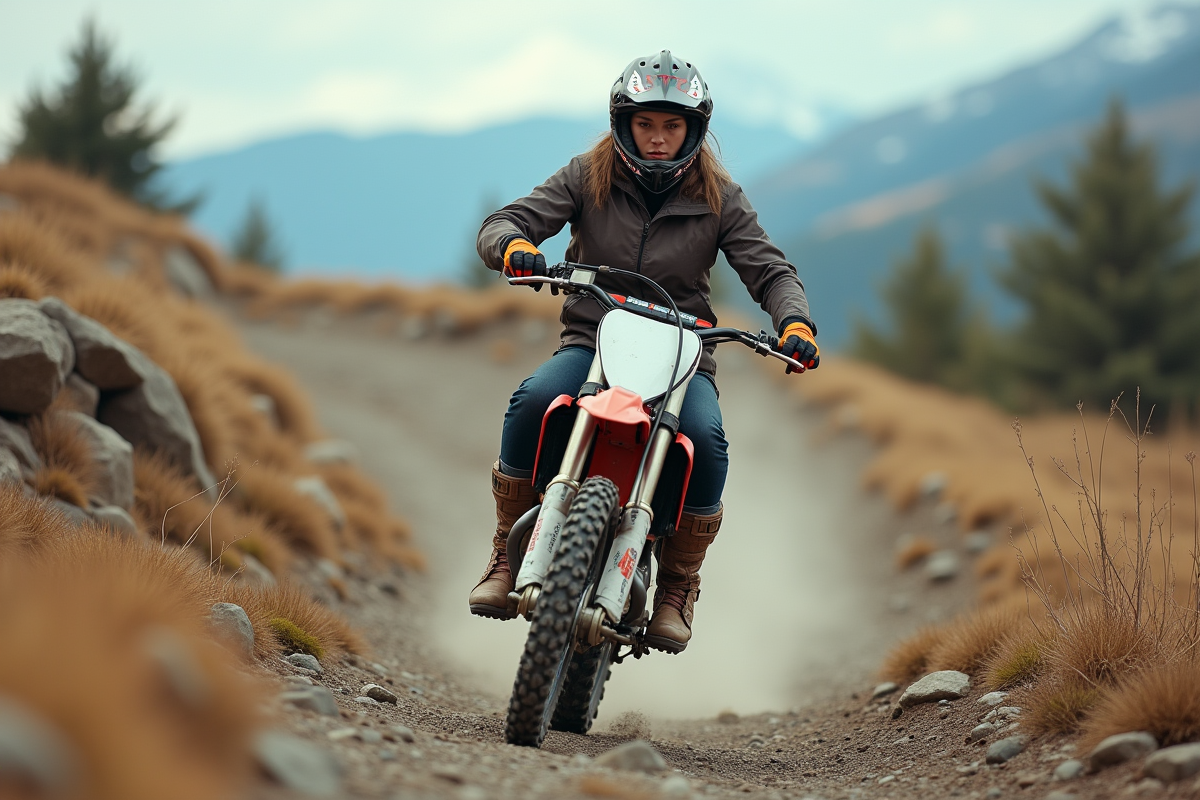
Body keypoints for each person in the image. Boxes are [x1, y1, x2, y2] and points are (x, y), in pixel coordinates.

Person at [468, 50, 819, 653]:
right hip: (593, 339)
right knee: (532, 401)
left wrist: (796, 323)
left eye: (672, 125)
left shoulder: (721, 198)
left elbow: (771, 270)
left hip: (683, 357)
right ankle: (506, 552)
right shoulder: (586, 175)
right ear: (623, 123)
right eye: (646, 124)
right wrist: (514, 245)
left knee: (705, 444)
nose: (658, 139)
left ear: (694, 129)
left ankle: (678, 587)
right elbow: (508, 220)